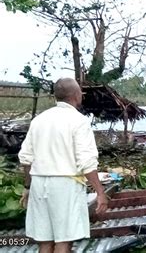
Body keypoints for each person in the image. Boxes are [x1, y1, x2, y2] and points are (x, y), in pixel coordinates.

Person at [18, 78, 108, 253]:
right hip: (65, 185)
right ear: (76, 95)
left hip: (38, 183)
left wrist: (27, 186)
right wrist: (100, 192)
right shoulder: (78, 121)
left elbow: (26, 158)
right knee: (64, 240)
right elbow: (87, 162)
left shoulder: (39, 120)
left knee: (44, 240)